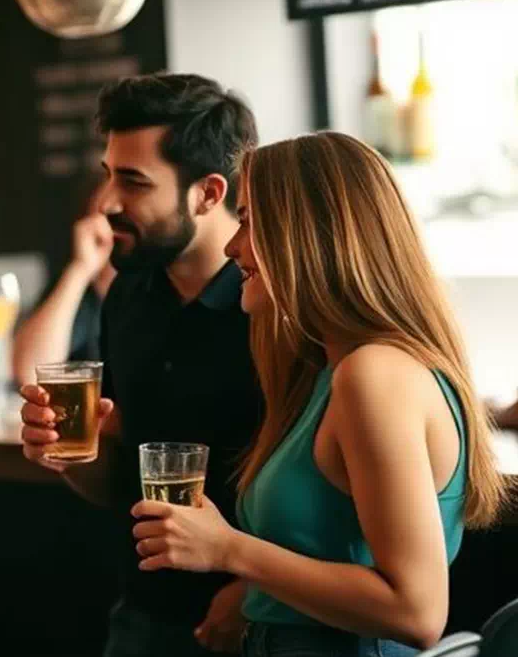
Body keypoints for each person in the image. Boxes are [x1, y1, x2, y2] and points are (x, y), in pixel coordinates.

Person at [130, 132, 511, 656]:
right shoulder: (329, 370)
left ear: (310, 233)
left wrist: (229, 550)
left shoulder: (373, 375)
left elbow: (416, 611)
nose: (231, 246)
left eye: (247, 222)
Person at [20, 73, 262, 657]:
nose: (107, 201)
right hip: (142, 616)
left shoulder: (270, 300)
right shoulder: (130, 293)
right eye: (109, 174)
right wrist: (70, 453)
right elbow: (117, 484)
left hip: (258, 619)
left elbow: (334, 497)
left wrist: (255, 590)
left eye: (133, 181)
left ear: (207, 193)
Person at [11, 183, 116, 384]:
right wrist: (81, 268)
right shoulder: (80, 289)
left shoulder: (164, 289)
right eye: (105, 211)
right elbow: (30, 374)